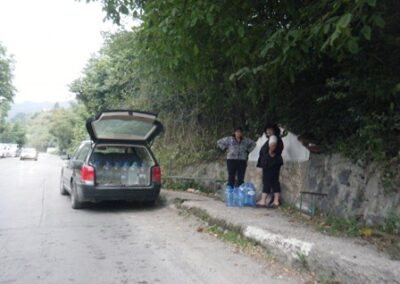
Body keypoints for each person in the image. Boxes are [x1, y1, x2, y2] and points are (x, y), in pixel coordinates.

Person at [256, 123, 284, 208]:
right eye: (267, 129)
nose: (268, 131)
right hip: (275, 162)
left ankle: (263, 201)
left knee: (267, 180)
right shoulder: (277, 138)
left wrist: (270, 152)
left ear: (274, 130)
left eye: (270, 129)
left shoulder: (273, 137)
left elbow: (272, 145)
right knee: (274, 181)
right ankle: (276, 201)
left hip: (270, 163)